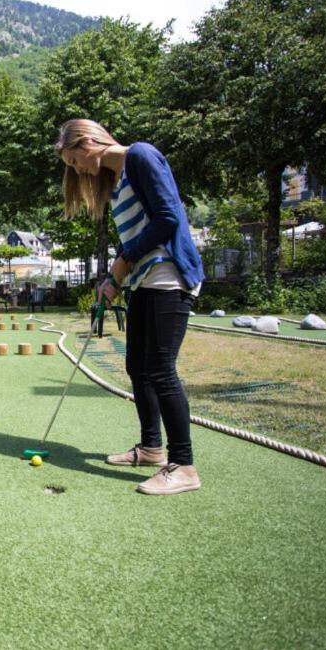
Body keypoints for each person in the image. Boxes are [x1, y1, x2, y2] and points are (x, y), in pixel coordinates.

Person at [54, 118, 204, 495]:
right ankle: (152, 448)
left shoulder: (140, 155)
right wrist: (113, 278)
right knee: (137, 365)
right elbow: (135, 237)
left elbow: (168, 218)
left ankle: (184, 466)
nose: (78, 170)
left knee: (160, 368)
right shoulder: (117, 181)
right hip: (144, 281)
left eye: (75, 160)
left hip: (168, 277)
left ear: (87, 140)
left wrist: (122, 265)